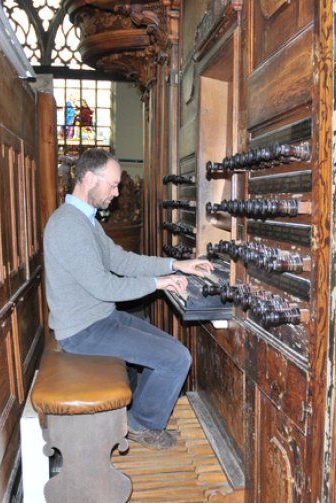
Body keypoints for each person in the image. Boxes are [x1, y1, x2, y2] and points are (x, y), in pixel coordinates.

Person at [43, 148, 213, 450]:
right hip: (83, 332)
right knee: (176, 360)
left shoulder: (86, 220)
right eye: (112, 185)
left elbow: (121, 262)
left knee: (173, 351)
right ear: (87, 178)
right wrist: (159, 284)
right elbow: (105, 287)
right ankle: (141, 424)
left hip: (101, 319)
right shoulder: (68, 225)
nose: (117, 192)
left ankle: (139, 415)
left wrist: (175, 265)